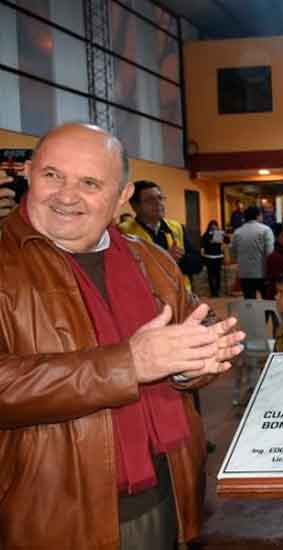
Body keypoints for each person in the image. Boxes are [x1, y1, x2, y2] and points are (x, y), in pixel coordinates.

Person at [0, 122, 245, 549]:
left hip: (166, 495)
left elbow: (182, 349)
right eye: (52, 175)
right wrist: (128, 364)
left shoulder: (151, 260)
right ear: (30, 173)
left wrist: (193, 366)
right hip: (49, 514)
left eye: (90, 182)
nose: (66, 195)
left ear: (122, 197)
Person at [120, 180, 203, 292]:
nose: (158, 203)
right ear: (135, 206)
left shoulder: (176, 227)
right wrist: (165, 259)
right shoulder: (123, 232)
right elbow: (124, 273)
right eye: (150, 200)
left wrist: (181, 259)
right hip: (148, 299)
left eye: (160, 198)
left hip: (180, 297)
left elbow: (197, 265)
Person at [230, 204, 274, 299]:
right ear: (258, 215)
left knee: (249, 303)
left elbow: (232, 253)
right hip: (263, 271)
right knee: (267, 302)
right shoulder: (266, 230)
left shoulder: (237, 232)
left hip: (245, 273)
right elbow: (270, 252)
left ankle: (251, 314)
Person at [201, 220, 225, 297]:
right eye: (212, 225)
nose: (214, 227)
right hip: (209, 256)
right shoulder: (206, 234)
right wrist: (210, 241)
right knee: (211, 275)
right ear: (210, 226)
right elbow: (203, 244)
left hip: (218, 256)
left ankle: (217, 291)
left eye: (215, 225)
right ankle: (213, 292)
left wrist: (224, 236)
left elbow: (226, 241)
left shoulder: (219, 233)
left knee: (218, 274)